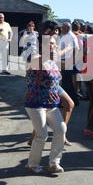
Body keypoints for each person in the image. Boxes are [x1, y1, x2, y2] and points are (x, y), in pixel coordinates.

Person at [25, 21, 67, 174]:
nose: (52, 45)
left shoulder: (53, 61)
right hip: (35, 103)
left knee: (61, 129)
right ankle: (32, 164)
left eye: (54, 43)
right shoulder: (35, 57)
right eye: (49, 43)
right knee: (42, 134)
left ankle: (54, 163)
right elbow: (35, 64)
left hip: (51, 103)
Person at [60, 22, 80, 107]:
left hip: (68, 61)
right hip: (66, 60)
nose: (61, 29)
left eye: (62, 28)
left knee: (66, 83)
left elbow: (76, 48)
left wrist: (72, 61)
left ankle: (66, 102)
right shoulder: (67, 36)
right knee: (67, 83)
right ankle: (74, 101)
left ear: (66, 28)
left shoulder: (70, 36)